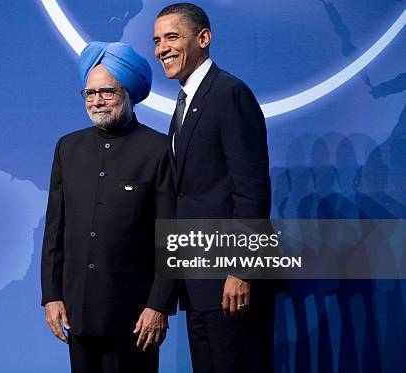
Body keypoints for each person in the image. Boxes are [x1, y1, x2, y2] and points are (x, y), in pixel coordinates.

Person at [41, 41, 178, 373]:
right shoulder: (67, 148)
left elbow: (170, 236)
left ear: (129, 93)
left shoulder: (158, 149)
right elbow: (54, 232)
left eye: (107, 92)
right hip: (78, 312)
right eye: (89, 93)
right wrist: (51, 296)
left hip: (135, 319)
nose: (97, 101)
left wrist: (158, 306)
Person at [153, 3, 275, 372]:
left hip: (229, 279)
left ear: (203, 38)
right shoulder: (185, 102)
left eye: (172, 37)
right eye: (157, 40)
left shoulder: (228, 93)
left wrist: (241, 270)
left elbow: (251, 188)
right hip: (198, 278)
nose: (162, 49)